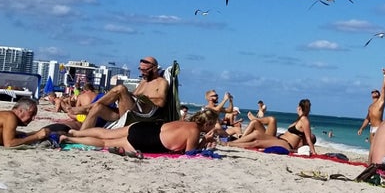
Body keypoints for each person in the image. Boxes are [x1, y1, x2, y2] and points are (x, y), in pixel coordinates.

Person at [63, 109, 220, 156]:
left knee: (106, 133)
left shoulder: (184, 122)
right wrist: (204, 141)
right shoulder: (194, 130)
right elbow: (190, 153)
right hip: (149, 139)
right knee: (105, 143)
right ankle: (70, 140)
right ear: (207, 123)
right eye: (212, 124)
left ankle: (74, 133)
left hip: (144, 127)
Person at [77, 57, 170, 131]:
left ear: (154, 69)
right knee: (97, 107)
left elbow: (161, 102)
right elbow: (134, 96)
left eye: (145, 70)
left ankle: (87, 107)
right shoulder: (143, 82)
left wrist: (144, 98)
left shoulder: (161, 82)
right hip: (128, 112)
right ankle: (80, 135)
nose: (142, 72)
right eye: (140, 69)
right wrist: (129, 95)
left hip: (141, 115)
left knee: (121, 88)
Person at [233, 99, 316, 153]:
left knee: (256, 141)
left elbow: (308, 139)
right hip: (279, 139)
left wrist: (314, 152)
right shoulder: (300, 119)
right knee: (256, 131)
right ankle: (233, 142)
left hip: (285, 143)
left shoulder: (304, 120)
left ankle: (229, 144)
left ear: (299, 108)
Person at [358, 70, 385, 142]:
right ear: (371, 95)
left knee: (377, 147)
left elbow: (383, 88)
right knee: (372, 147)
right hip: (371, 128)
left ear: (379, 94)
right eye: (372, 92)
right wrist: (361, 128)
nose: (374, 92)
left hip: (378, 128)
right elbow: (367, 119)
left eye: (376, 92)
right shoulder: (370, 106)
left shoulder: (381, 102)